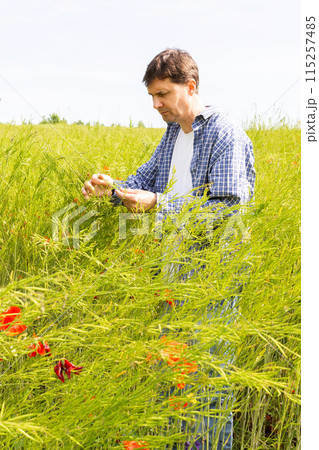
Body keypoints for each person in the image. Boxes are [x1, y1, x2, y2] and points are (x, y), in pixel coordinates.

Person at [82, 48, 255, 449]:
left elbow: (227, 210)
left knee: (207, 390)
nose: (156, 104)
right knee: (172, 383)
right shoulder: (174, 133)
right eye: (152, 97)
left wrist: (157, 205)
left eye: (162, 94)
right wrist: (110, 189)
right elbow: (142, 182)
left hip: (211, 282)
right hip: (171, 278)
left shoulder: (224, 133)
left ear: (190, 87)